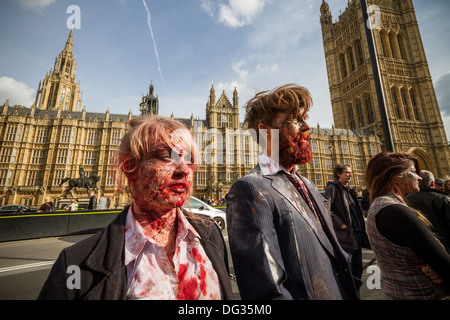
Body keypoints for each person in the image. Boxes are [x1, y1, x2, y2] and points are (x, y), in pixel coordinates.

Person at [38, 115, 232, 300]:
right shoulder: (75, 263)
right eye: (166, 156)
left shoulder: (210, 234)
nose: (183, 169)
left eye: (188, 158)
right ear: (130, 168)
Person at [226, 84, 359, 300]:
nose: (307, 127)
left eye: (305, 118)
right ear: (265, 131)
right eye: (296, 120)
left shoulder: (308, 184)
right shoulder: (250, 189)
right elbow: (267, 292)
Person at [365, 151, 450, 299]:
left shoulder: (379, 205)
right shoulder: (395, 211)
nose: (419, 177)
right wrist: (436, 267)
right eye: (412, 171)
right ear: (396, 175)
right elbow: (444, 264)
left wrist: (430, 266)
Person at [324, 164, 370, 290]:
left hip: (357, 233)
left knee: (358, 266)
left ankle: (356, 293)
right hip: (345, 235)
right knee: (347, 268)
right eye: (347, 172)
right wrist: (341, 224)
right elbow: (325, 209)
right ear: (338, 174)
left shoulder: (350, 190)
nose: (350, 175)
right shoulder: (332, 189)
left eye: (351, 173)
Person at [406, 170, 450, 252]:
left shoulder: (406, 200)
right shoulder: (443, 199)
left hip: (422, 247)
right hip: (445, 245)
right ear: (432, 183)